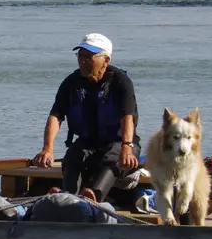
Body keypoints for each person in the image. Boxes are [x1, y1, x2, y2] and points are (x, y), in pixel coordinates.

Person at [31, 33, 139, 202]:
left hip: (118, 142)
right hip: (89, 142)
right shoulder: (71, 82)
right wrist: (47, 149)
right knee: (73, 156)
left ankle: (94, 197)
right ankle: (68, 198)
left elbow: (127, 116)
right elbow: (56, 116)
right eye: (80, 55)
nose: (83, 60)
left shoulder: (121, 82)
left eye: (89, 56)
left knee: (112, 159)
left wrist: (127, 147)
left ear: (106, 60)